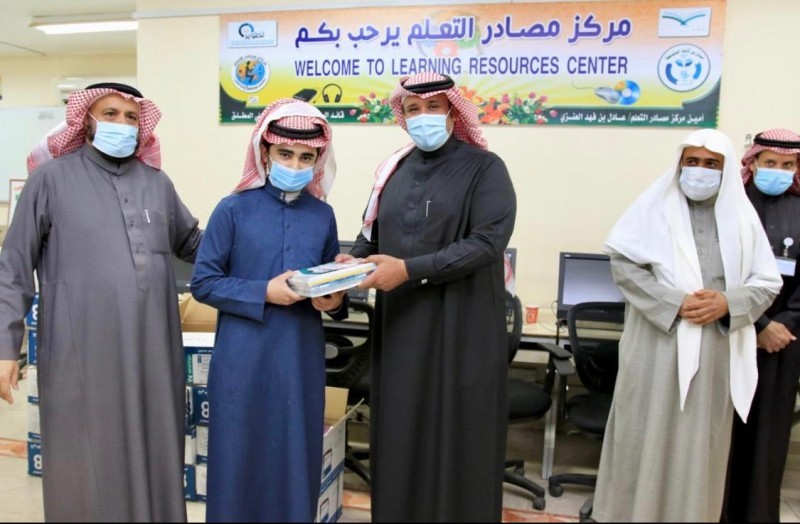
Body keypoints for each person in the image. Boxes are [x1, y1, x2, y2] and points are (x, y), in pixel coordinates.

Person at [0, 82, 202, 521]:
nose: (122, 124)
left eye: (132, 117)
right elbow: (13, 268)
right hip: (81, 354)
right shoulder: (50, 180)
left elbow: (196, 246)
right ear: (86, 121)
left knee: (155, 451)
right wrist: (5, 348)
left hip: (153, 354)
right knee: (85, 459)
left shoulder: (157, 183)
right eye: (110, 114)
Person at [338, 72, 517, 521]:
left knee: (461, 438)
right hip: (402, 329)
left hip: (463, 329)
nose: (423, 117)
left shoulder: (485, 169)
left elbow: (486, 243)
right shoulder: (392, 171)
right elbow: (371, 236)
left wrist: (408, 270)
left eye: (433, 107)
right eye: (413, 109)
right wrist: (348, 266)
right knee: (400, 433)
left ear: (453, 112)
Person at [593, 129, 782, 522]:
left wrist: (727, 302)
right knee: (641, 437)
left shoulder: (743, 220)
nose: (700, 170)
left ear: (726, 171)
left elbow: (766, 282)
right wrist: (675, 302)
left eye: (711, 164)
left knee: (699, 447)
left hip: (714, 352)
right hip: (655, 346)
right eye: (691, 161)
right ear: (679, 165)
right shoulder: (653, 209)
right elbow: (624, 267)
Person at [190, 98, 348, 522]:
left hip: (299, 358)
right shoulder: (232, 209)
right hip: (243, 357)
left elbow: (330, 284)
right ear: (265, 152)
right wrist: (264, 292)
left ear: (317, 160)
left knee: (295, 457)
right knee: (238, 455)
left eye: (305, 157)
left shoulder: (323, 215)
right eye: (285, 154)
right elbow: (204, 282)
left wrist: (334, 299)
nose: (295, 165)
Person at [721, 128, 800, 522]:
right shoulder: (730, 205)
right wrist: (758, 323)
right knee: (725, 434)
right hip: (731, 331)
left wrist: (782, 324)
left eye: (787, 165)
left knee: (768, 437)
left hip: (785, 340)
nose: (778, 171)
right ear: (753, 163)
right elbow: (719, 271)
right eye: (771, 163)